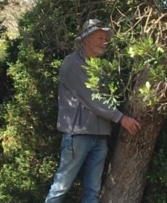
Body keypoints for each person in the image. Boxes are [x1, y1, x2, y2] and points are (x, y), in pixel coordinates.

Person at [45, 19, 141, 203]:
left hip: (99, 136)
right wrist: (121, 118)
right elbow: (92, 98)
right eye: (100, 38)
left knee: (93, 190)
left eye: (105, 38)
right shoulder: (73, 63)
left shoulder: (99, 66)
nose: (104, 42)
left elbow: (106, 97)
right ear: (86, 39)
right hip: (78, 135)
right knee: (61, 186)